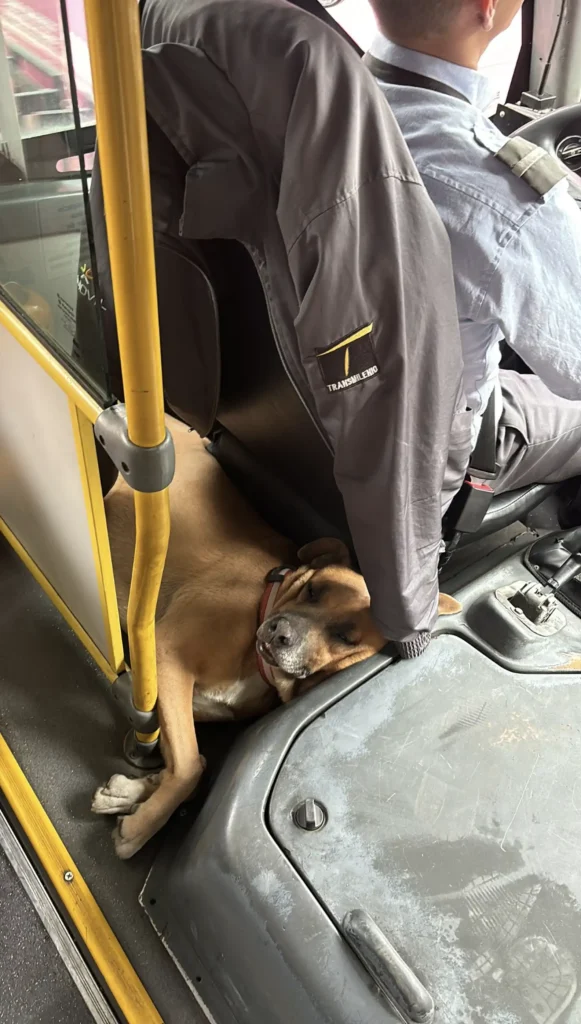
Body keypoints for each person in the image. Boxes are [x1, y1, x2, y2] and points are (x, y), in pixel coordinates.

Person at [366, 0, 581, 499]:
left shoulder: (308, 103)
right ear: (485, 8)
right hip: (430, 453)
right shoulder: (504, 199)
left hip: (316, 409)